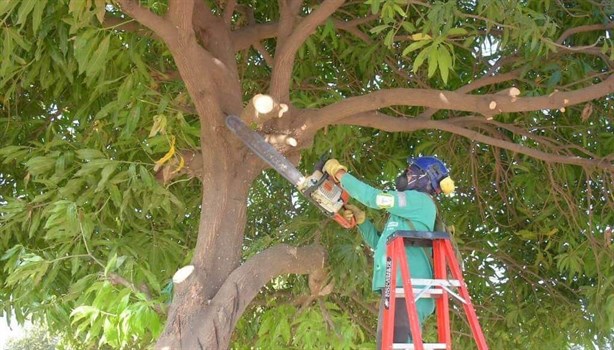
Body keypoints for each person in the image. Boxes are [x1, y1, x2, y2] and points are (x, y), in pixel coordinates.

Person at [323, 156, 455, 347]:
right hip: (399, 287)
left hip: (410, 287)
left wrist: (340, 174)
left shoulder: (419, 200)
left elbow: (374, 197)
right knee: (388, 344)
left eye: (410, 172)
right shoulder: (407, 211)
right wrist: (362, 222)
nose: (405, 175)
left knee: (394, 345)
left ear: (423, 177)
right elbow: (381, 246)